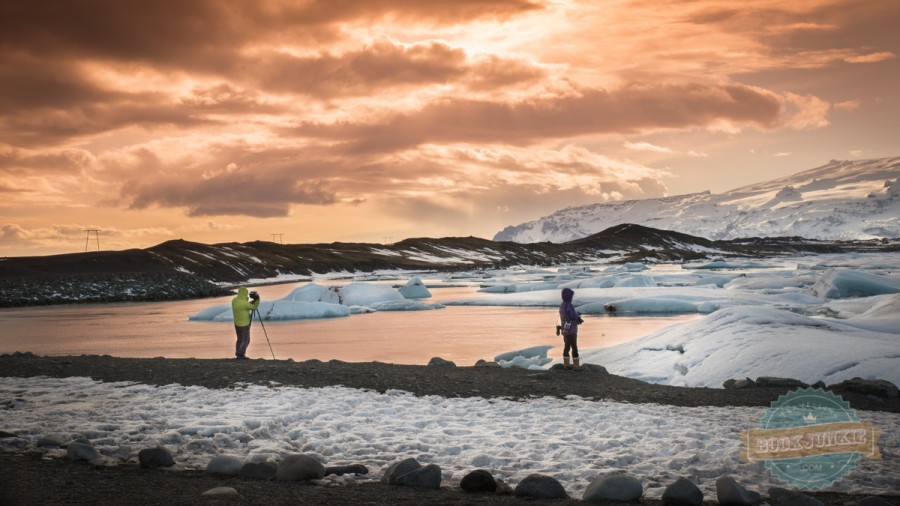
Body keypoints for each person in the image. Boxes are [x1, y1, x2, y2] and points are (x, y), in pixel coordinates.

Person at [231, 287, 260, 359]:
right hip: (244, 324)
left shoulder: (234, 300)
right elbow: (254, 308)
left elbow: (245, 305)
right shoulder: (244, 303)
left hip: (237, 324)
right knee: (246, 340)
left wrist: (251, 302)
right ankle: (241, 354)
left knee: (239, 339)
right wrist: (257, 300)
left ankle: (238, 353)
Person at [559, 287, 584, 370]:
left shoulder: (562, 305)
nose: (572, 297)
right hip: (572, 330)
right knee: (574, 347)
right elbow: (573, 316)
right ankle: (576, 366)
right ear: (569, 296)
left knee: (566, 346)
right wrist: (578, 317)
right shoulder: (569, 305)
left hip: (565, 329)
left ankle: (566, 364)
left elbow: (565, 316)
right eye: (571, 296)